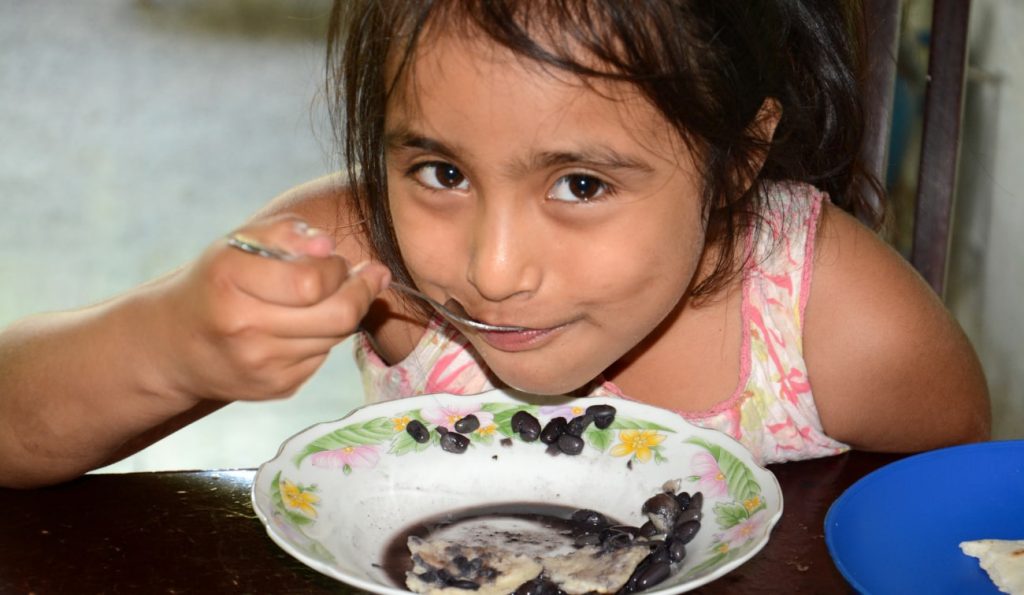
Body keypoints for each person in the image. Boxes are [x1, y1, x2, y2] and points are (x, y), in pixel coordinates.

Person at [0, 0, 990, 489]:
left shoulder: (839, 324)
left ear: (737, 162)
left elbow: (961, 533)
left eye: (581, 184)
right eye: (439, 170)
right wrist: (169, 344)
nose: (489, 269)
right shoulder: (363, 255)